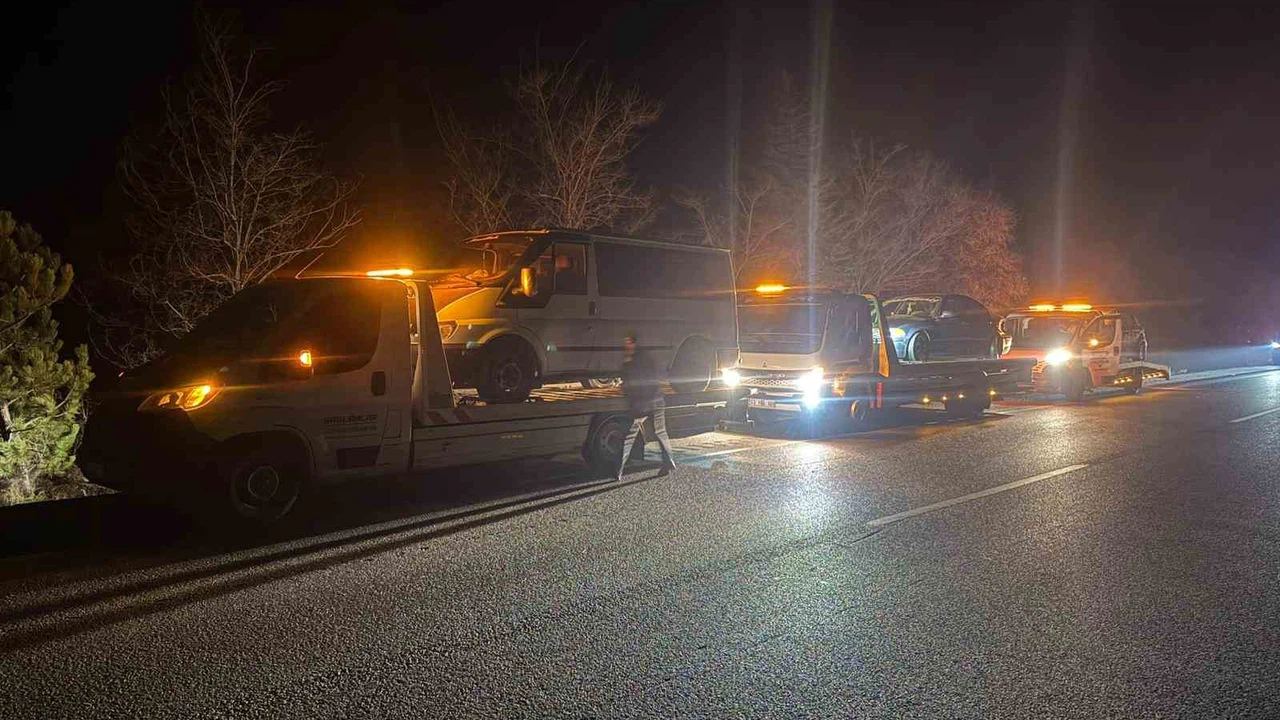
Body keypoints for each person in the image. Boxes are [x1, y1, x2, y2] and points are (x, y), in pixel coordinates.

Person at [616, 331, 677, 480]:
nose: (626, 345)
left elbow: (649, 381)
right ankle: (618, 469)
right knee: (652, 433)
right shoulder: (630, 360)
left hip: (649, 401)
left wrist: (643, 401)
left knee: (639, 434)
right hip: (645, 402)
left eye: (628, 342)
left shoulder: (640, 359)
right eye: (625, 342)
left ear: (634, 343)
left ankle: (618, 470)